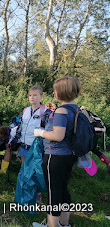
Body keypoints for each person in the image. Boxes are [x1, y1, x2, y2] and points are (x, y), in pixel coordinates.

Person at [33, 76, 81, 227]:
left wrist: (39, 133)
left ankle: (51, 225)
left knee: (54, 192)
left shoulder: (61, 111)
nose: (54, 93)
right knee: (63, 188)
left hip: (55, 156)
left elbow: (57, 136)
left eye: (55, 90)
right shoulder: (76, 108)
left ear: (61, 92)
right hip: (69, 155)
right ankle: (64, 224)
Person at [18, 85, 48, 165]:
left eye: (35, 95)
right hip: (24, 144)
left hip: (36, 146)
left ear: (41, 96)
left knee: (35, 167)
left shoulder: (45, 111)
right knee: (24, 165)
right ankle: (24, 177)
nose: (32, 97)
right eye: (30, 95)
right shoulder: (25, 110)